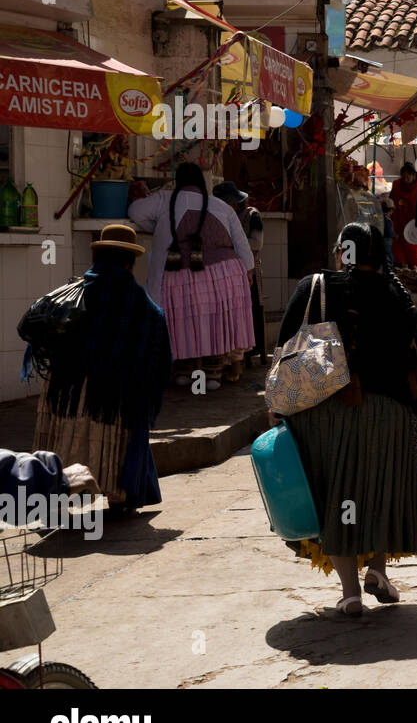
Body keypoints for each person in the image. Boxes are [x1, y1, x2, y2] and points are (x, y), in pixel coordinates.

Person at [276, 223, 417, 615]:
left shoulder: (314, 287)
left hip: (330, 413)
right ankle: (377, 569)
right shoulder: (398, 294)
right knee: (378, 492)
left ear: (338, 252)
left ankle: (350, 593)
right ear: (378, 254)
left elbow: (284, 349)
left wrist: (279, 408)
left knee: (340, 496)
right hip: (392, 414)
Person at [29, 225, 171, 513]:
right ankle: (119, 495)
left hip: (64, 393)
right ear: (129, 262)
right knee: (114, 437)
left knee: (64, 436)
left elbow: (42, 336)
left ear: (97, 257)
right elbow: (160, 362)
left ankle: (52, 493)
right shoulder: (146, 309)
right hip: (114, 398)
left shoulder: (71, 296)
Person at [128, 162, 255, 389]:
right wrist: (248, 273)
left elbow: (134, 212)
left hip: (179, 273)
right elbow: (243, 247)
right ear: (202, 183)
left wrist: (155, 226)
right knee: (213, 319)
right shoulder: (221, 206)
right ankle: (213, 372)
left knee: (182, 319)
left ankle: (183, 369)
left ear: (178, 182)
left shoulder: (165, 199)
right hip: (225, 274)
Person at [213, 181, 266, 369]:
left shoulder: (252, 215)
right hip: (230, 270)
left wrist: (234, 243)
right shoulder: (224, 217)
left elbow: (257, 243)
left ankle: (252, 353)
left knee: (252, 311)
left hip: (249, 269)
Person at [387, 161, 417, 267]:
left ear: (414, 175)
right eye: (404, 176)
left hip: (414, 226)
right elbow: (392, 204)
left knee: (412, 254)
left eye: (409, 176)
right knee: (398, 254)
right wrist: (393, 229)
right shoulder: (397, 184)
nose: (406, 179)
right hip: (398, 222)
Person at [380, 196, 397, 268]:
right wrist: (394, 235)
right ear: (390, 210)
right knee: (388, 253)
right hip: (387, 239)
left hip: (382, 238)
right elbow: (389, 231)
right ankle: (390, 266)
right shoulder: (387, 219)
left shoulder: (380, 217)